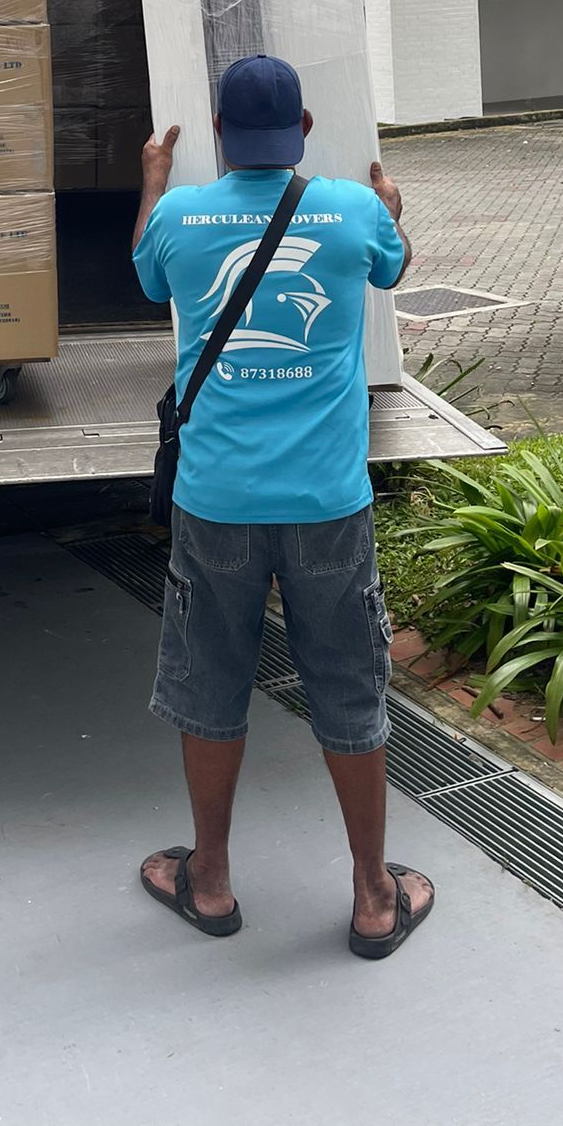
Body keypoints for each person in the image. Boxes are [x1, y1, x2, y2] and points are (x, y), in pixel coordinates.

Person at [131, 53, 434, 959]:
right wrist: (394, 207)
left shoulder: (181, 218)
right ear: (300, 131)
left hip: (216, 504)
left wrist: (151, 183)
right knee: (348, 688)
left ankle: (212, 882)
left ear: (219, 136)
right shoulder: (352, 209)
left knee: (210, 684)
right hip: (327, 507)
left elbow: (149, 280)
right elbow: (396, 266)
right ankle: (375, 897)